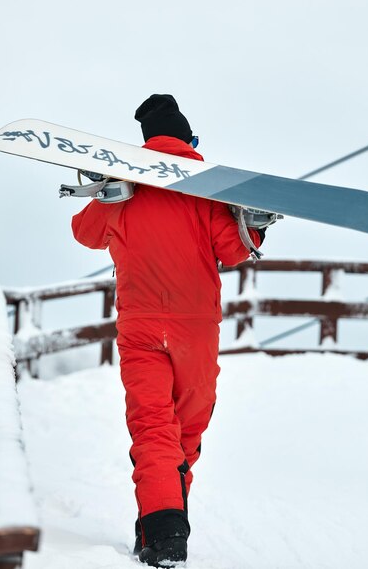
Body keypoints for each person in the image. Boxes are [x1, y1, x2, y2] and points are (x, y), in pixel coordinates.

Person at [71, 94, 264, 567]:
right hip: (196, 326)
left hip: (139, 325)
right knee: (186, 432)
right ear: (188, 140)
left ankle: (161, 529)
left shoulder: (123, 185)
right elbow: (233, 250)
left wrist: (103, 187)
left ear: (147, 142)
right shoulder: (207, 190)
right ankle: (165, 528)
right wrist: (254, 226)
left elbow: (85, 233)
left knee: (153, 427)